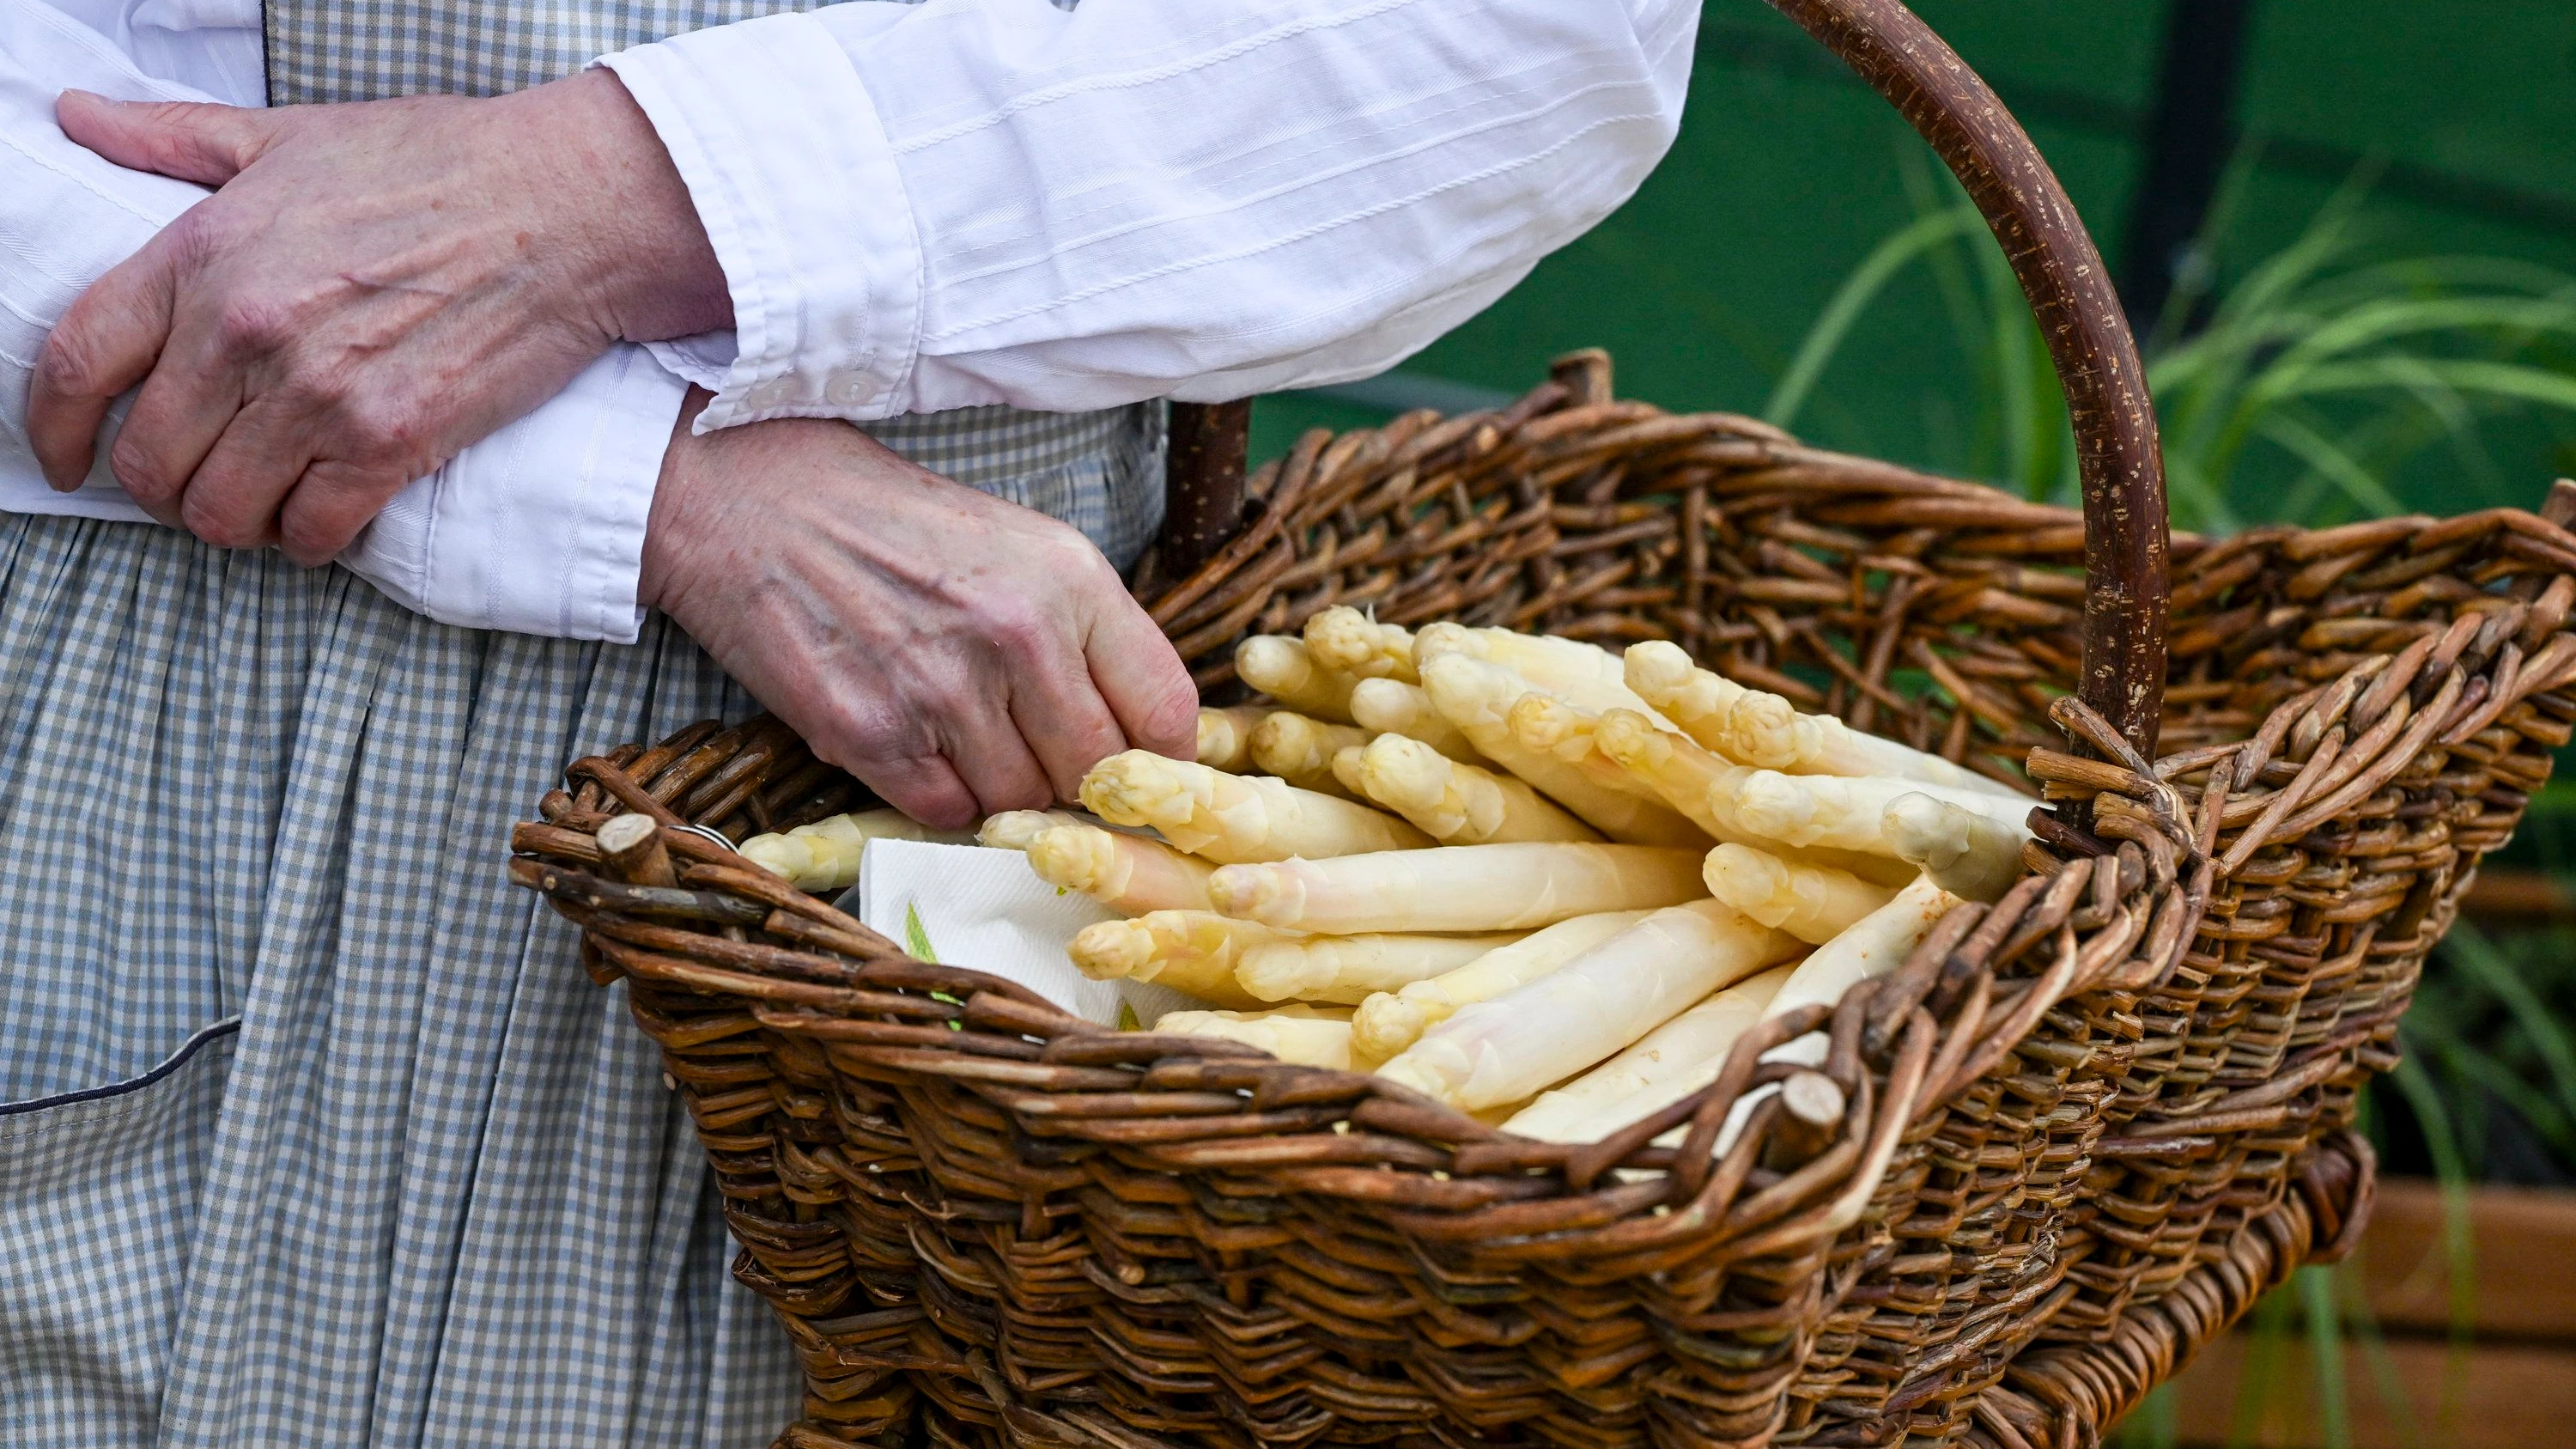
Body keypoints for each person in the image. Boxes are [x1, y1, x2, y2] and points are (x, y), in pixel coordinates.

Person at [0, 0, 1694, 1444]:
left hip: (955, 787)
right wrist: (656, 479)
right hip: (148, 655)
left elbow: (1537, 42)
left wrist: (621, 197)